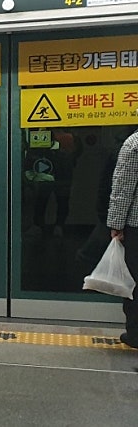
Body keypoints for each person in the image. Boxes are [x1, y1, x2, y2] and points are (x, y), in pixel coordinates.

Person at [107, 126, 138, 349]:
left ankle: (135, 333)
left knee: (134, 280)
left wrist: (115, 225)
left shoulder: (133, 144)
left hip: (136, 224)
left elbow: (123, 188)